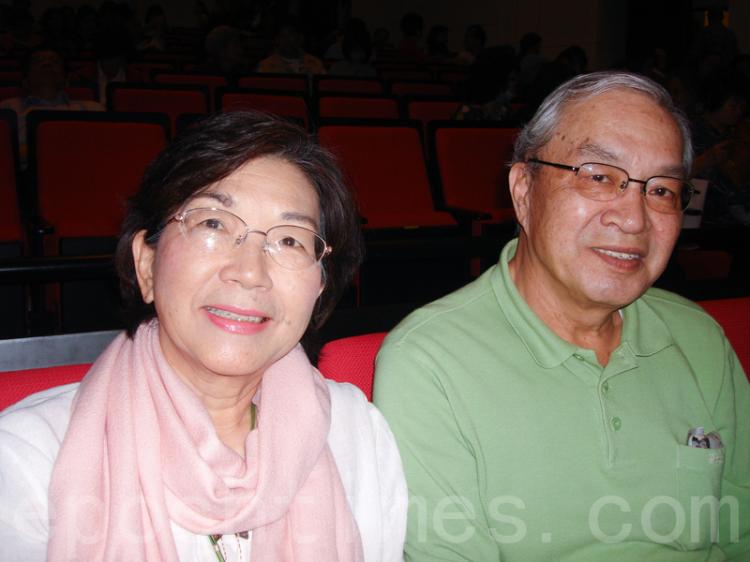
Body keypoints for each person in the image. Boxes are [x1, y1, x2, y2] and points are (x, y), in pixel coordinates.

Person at [374, 71, 749, 560]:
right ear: (524, 191)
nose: (633, 218)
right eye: (598, 177)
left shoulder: (698, 337)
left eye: (660, 190)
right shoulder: (430, 364)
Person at [0, 112, 407, 561]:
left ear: (320, 285)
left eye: (290, 240)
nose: (250, 272)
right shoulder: (27, 457)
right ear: (146, 264)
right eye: (213, 224)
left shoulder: (356, 432)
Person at [0, 46, 103, 166]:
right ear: (25, 81)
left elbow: (102, 151)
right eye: (37, 61)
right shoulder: (7, 108)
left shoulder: (93, 109)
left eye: (55, 61)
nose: (47, 63)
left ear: (66, 79)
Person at [257, 19, 325, 76]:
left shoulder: (315, 64)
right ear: (277, 39)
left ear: (300, 38)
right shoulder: (265, 66)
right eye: (282, 36)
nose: (286, 39)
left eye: (290, 34)